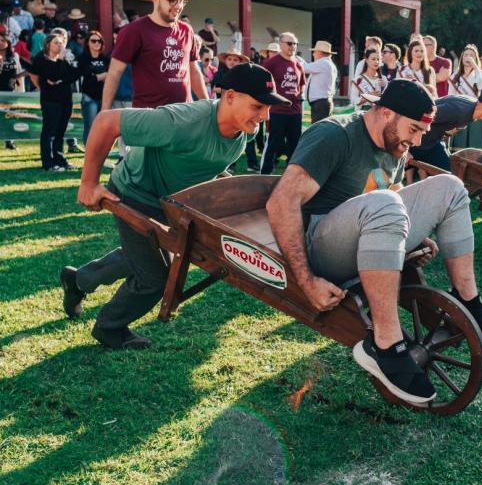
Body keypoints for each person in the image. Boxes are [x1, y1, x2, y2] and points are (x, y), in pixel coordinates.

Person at [265, 78, 482, 404]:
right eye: (414, 129)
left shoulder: (395, 145)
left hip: (363, 234)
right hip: (321, 249)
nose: (418, 141)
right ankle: (385, 344)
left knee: (450, 187)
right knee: (385, 204)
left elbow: (386, 193)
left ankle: (469, 301)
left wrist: (408, 231)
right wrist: (306, 281)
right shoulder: (334, 134)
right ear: (386, 112)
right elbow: (281, 203)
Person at [61, 64, 289, 348]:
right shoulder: (181, 121)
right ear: (230, 96)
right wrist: (88, 184)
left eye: (267, 107)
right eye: (257, 106)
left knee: (147, 256)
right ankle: (109, 328)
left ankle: (77, 280)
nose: (264, 116)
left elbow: (207, 161)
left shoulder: (246, 131)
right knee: (155, 277)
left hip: (172, 201)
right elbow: (107, 122)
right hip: (135, 191)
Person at [101, 0, 207, 111]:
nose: (178, 6)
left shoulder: (186, 30)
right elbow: (114, 73)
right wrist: (104, 112)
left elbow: (194, 72)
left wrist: (207, 105)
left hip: (184, 115)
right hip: (149, 118)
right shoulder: (135, 30)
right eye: (173, 1)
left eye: (181, 1)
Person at [408, 83, 482, 171]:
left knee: (452, 177)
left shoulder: (473, 110)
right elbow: (416, 117)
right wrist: (406, 150)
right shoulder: (457, 110)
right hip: (413, 144)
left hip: (431, 144)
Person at [29, 33, 79, 171]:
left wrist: (62, 80)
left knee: (61, 131)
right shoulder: (42, 59)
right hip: (50, 100)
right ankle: (48, 163)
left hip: (65, 99)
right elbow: (52, 75)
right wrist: (59, 74)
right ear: (48, 44)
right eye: (56, 43)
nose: (59, 45)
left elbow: (75, 74)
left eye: (61, 43)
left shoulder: (64, 60)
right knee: (49, 131)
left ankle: (60, 159)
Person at [260, 32, 306, 174]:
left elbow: (301, 85)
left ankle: (290, 177)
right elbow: (261, 80)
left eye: (295, 43)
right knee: (273, 145)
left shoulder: (298, 64)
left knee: (295, 147)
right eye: (289, 43)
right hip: (277, 111)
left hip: (295, 113)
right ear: (281, 44)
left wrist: (298, 100)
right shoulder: (272, 62)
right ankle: (264, 175)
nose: (293, 46)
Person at [449, 45, 482, 149]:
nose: (468, 57)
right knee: (458, 146)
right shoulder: (454, 76)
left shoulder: (481, 74)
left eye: (471, 55)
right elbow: (450, 97)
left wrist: (476, 67)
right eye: (466, 55)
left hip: (475, 113)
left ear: (476, 59)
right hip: (459, 114)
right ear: (462, 58)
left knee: (474, 146)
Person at [78, 31, 111, 146]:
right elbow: (88, 78)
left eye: (99, 41)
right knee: (90, 125)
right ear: (87, 43)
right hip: (89, 96)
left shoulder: (105, 59)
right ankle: (89, 151)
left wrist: (98, 76)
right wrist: (104, 75)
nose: (97, 43)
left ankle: (99, 150)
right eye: (93, 40)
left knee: (103, 126)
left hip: (105, 96)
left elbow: (112, 76)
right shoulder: (83, 58)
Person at [304, 40, 338, 123]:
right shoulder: (326, 63)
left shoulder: (323, 63)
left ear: (319, 52)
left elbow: (304, 68)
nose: (313, 54)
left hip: (320, 103)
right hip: (322, 103)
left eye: (314, 52)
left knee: (318, 131)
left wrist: (295, 58)